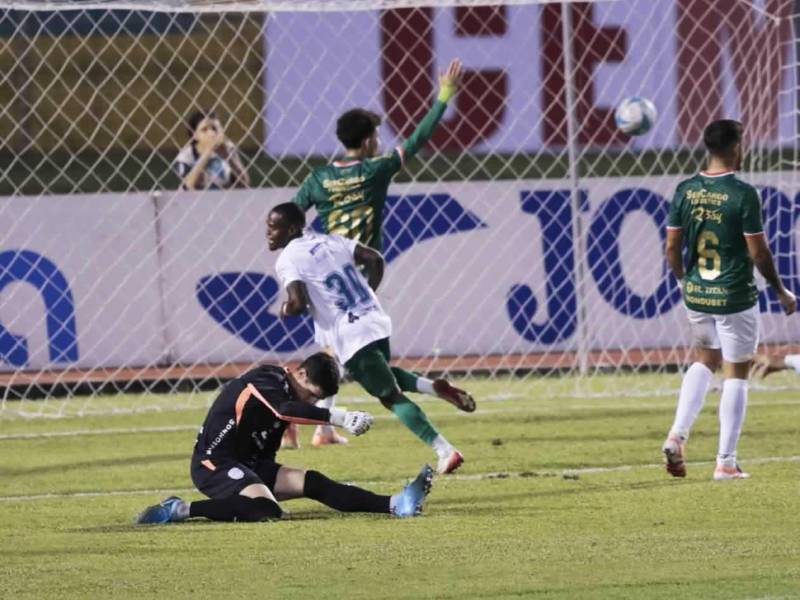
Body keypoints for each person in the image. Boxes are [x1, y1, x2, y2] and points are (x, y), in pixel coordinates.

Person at [282, 58, 465, 450]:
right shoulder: (375, 170)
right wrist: (444, 97)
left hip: (325, 270)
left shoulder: (318, 179)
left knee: (340, 353)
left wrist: (299, 255)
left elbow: (294, 216)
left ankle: (318, 424)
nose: (381, 141)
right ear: (366, 142)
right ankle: (319, 423)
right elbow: (417, 141)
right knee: (346, 356)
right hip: (359, 274)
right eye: (378, 136)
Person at [268, 203, 475, 475]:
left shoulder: (288, 259)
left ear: (291, 228)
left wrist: (284, 310)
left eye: (273, 227)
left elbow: (295, 304)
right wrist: (367, 296)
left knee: (390, 396)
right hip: (375, 319)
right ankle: (433, 387)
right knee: (384, 375)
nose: (268, 233)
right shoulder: (330, 239)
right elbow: (374, 259)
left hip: (350, 333)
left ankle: (444, 451)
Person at [134, 352, 433, 524]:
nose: (312, 403)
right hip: (214, 464)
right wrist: (339, 417)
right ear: (300, 373)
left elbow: (286, 416)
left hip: (250, 464)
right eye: (312, 395)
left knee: (314, 482)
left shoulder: (289, 389)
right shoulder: (267, 379)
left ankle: (398, 504)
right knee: (266, 510)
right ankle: (180, 509)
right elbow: (284, 410)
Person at [661, 119, 796, 480]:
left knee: (705, 360)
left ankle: (677, 435)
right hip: (734, 295)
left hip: (697, 292)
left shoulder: (686, 190)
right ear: (738, 146)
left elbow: (672, 246)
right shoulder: (742, 194)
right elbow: (759, 252)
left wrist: (681, 281)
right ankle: (726, 461)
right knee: (737, 372)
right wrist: (780, 290)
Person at [174, 110, 250, 191]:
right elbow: (189, 187)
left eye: (214, 128)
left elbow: (244, 183)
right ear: (195, 135)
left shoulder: (228, 148)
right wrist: (208, 152)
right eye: (204, 130)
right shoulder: (186, 156)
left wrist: (227, 156)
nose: (211, 133)